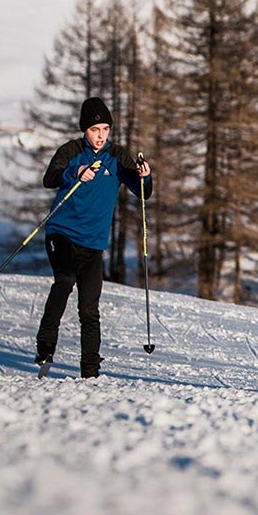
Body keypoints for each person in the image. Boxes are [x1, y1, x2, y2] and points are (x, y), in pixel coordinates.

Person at [35, 97, 152, 378]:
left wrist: (145, 176)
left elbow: (143, 193)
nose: (100, 136)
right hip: (61, 233)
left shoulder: (117, 156)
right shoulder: (72, 151)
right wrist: (75, 173)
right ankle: (45, 346)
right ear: (84, 130)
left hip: (93, 243)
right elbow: (49, 178)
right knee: (64, 280)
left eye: (105, 129)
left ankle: (90, 372)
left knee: (89, 308)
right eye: (94, 129)